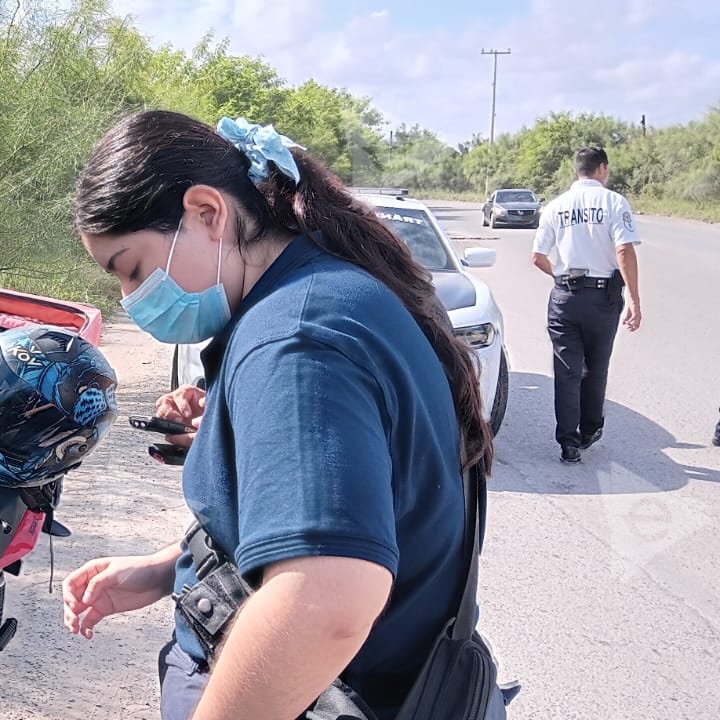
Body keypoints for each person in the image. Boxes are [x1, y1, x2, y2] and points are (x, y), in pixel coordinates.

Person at [62, 112, 503, 720]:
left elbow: (325, 605)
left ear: (207, 213)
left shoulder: (293, 342)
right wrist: (169, 570)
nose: (131, 300)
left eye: (132, 268)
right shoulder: (324, 291)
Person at [530, 147, 642, 464]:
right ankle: (590, 429)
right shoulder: (614, 203)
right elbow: (624, 252)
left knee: (567, 371)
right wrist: (634, 298)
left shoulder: (555, 207)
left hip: (564, 298)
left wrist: (563, 278)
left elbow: (537, 258)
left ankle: (568, 443)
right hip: (602, 297)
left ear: (576, 170)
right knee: (596, 367)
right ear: (602, 169)